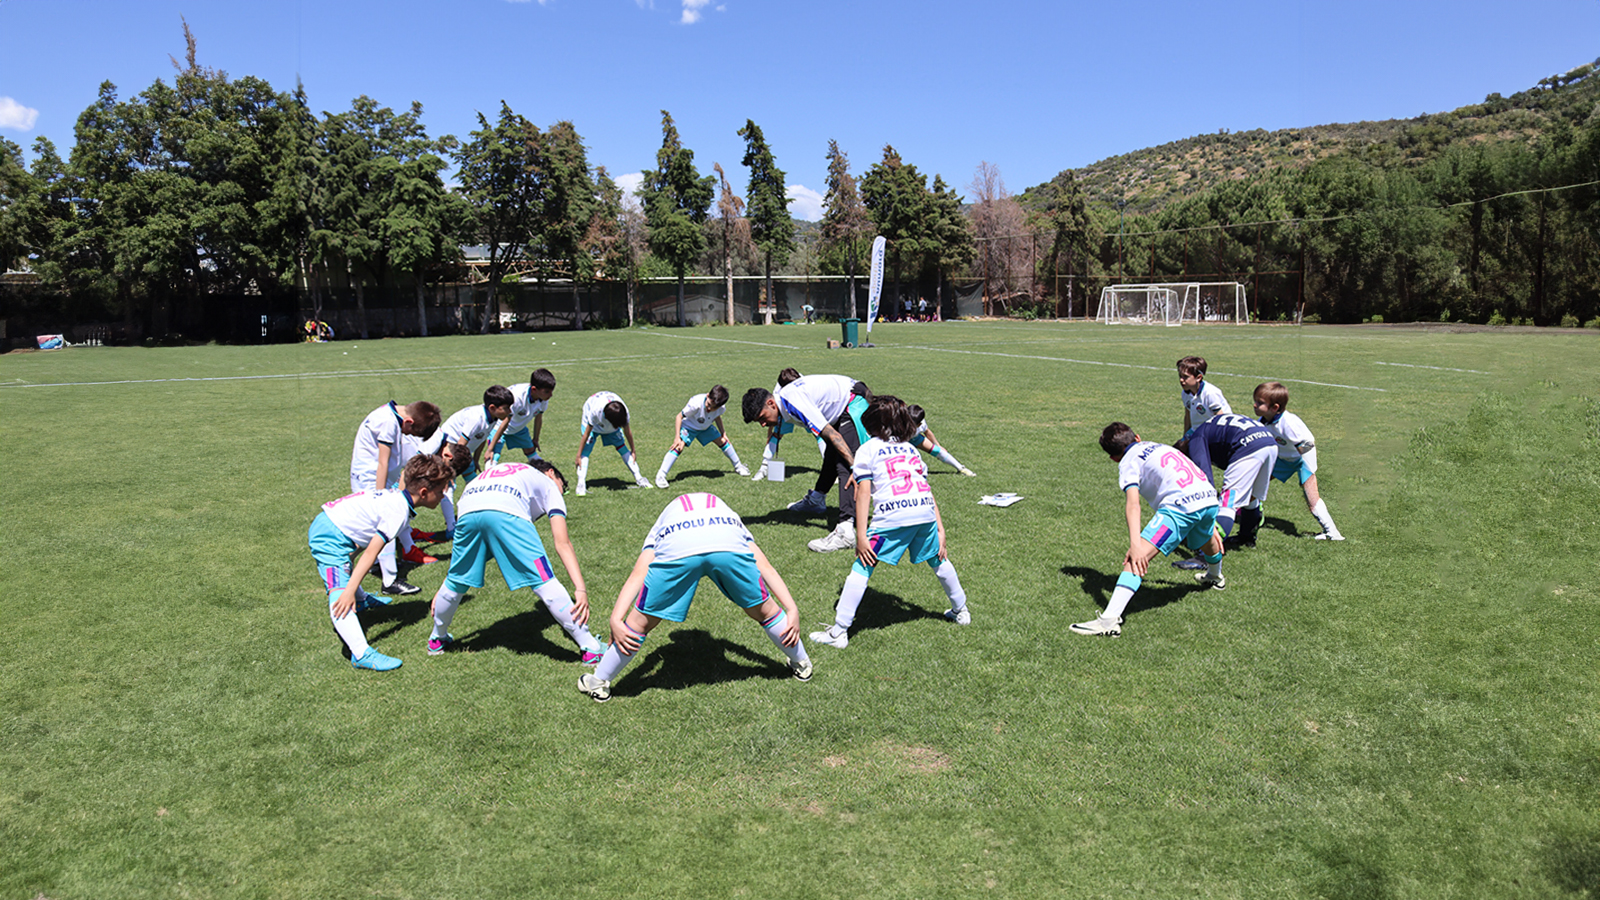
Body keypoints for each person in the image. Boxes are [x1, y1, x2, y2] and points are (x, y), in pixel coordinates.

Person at [576, 492, 813, 702]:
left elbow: (639, 572)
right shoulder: (729, 515)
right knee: (767, 612)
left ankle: (598, 682)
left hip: (680, 546)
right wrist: (791, 608)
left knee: (638, 624)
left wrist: (616, 619)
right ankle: (802, 663)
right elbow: (765, 566)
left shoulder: (664, 520)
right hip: (726, 543)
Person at [809, 397, 970, 649]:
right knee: (939, 560)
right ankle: (961, 611)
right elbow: (924, 487)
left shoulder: (867, 449)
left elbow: (863, 493)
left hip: (891, 518)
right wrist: (940, 528)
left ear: (870, 426)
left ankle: (839, 631)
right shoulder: (909, 448)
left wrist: (861, 535)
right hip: (925, 514)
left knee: (862, 566)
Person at [424, 458, 607, 663]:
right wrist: (580, 588)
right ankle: (590, 647)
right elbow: (562, 543)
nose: (561, 492)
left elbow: (467, 561)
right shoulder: (547, 483)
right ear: (550, 473)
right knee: (543, 579)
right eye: (562, 486)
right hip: (506, 510)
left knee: (456, 580)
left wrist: (444, 585)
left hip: (467, 508)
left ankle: (437, 638)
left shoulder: (509, 472)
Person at [1069, 423, 1226, 638]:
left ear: (1114, 458)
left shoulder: (1127, 462)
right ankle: (1215, 577)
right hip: (1207, 497)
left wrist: (1136, 544)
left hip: (1179, 508)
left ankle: (1108, 620)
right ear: (1138, 437)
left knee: (1136, 559)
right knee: (1207, 538)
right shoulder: (1159, 446)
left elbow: (1133, 504)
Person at [308, 454, 455, 670]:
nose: (443, 496)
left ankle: (362, 600)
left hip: (334, 526)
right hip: (330, 535)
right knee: (339, 593)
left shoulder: (398, 497)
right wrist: (349, 590)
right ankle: (360, 653)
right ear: (424, 493)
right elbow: (371, 554)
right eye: (441, 490)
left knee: (348, 573)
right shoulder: (398, 512)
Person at [741, 374, 872, 552]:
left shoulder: (794, 402)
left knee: (844, 464)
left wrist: (855, 469)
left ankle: (846, 530)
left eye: (762, 418)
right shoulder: (783, 403)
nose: (763, 424)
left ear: (771, 404)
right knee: (832, 456)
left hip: (852, 401)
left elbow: (833, 436)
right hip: (844, 402)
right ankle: (817, 500)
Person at [350, 399, 442, 595]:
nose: (408, 435)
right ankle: (390, 580)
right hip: (370, 479)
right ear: (408, 422)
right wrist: (380, 495)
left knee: (382, 525)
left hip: (371, 478)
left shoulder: (390, 415)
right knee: (386, 523)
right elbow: (382, 463)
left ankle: (376, 564)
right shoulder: (388, 423)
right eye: (411, 432)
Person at [412, 386, 516, 542]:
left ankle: (482, 516)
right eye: (506, 408)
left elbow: (481, 438)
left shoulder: (493, 417)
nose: (509, 411)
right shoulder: (476, 418)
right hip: (448, 454)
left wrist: (475, 459)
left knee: (475, 483)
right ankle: (451, 529)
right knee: (447, 488)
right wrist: (450, 470)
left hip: (462, 455)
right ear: (493, 407)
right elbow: (460, 445)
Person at [1253, 381, 1345, 541]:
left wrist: (1306, 470)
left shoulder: (1288, 424)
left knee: (1311, 499)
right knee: (1255, 482)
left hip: (1302, 459)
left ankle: (1333, 533)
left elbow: (1308, 444)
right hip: (1285, 458)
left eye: (1260, 403)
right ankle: (1252, 513)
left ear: (1274, 407)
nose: (1254, 405)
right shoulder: (1264, 421)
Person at [1176, 412, 1278, 548]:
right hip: (1269, 442)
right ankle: (1246, 538)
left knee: (1228, 502)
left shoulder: (1195, 441)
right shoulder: (1205, 431)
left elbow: (1206, 482)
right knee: (1251, 495)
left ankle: (1206, 554)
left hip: (1247, 446)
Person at [655, 385, 750, 487]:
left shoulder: (720, 408)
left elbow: (717, 417)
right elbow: (679, 416)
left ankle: (738, 466)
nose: (709, 409)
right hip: (689, 427)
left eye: (713, 408)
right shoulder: (696, 403)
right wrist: (677, 437)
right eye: (708, 404)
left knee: (723, 441)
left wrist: (723, 433)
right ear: (708, 395)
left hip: (705, 427)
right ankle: (661, 476)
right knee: (679, 446)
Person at [751, 368, 825, 481]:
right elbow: (772, 417)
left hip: (801, 408)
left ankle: (830, 470)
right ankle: (763, 468)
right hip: (784, 411)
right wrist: (770, 434)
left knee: (819, 433)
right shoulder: (778, 395)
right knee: (777, 435)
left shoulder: (802, 384)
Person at [574, 390, 651, 494]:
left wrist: (633, 450)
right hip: (594, 423)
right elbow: (586, 435)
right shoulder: (595, 412)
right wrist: (579, 455)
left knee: (622, 447)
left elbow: (627, 431)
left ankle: (639, 478)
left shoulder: (623, 412)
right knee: (586, 450)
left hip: (611, 418)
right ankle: (581, 484)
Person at [485, 368, 557, 465]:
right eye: (547, 391)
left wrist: (535, 439)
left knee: (533, 456)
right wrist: (490, 449)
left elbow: (538, 418)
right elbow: (505, 421)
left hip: (519, 428)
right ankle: (489, 477)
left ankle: (545, 477)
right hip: (499, 427)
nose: (551, 395)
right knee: (493, 456)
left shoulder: (543, 398)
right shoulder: (517, 398)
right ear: (534, 389)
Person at [907, 404, 976, 477]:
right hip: (899, 440)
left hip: (914, 438)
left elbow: (927, 432)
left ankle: (961, 468)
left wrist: (938, 445)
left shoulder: (922, 425)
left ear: (919, 424)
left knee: (937, 451)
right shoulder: (897, 421)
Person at [1178, 355, 1232, 433]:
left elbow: (1221, 418)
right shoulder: (1186, 393)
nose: (1181, 380)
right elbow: (1188, 415)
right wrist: (1185, 437)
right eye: (1180, 376)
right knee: (1178, 445)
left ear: (1198, 378)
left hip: (1216, 431)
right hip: (1197, 430)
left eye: (1186, 377)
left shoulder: (1210, 393)